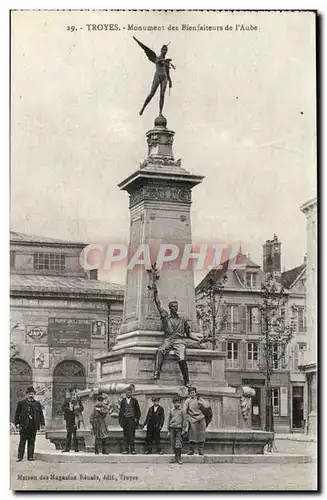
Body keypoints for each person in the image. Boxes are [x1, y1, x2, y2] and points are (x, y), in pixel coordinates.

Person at [151, 286, 201, 386]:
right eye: (173, 306)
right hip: (168, 339)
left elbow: (189, 334)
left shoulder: (182, 320)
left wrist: (199, 339)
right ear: (170, 308)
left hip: (179, 341)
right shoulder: (165, 317)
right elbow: (158, 305)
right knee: (160, 350)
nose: (175, 308)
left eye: (176, 306)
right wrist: (155, 293)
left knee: (182, 358)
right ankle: (157, 373)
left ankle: (186, 380)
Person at [15, 386, 45, 462]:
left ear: (34, 394)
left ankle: (30, 456)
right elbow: (17, 414)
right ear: (27, 394)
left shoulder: (37, 404)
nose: (31, 395)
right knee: (22, 442)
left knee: (32, 442)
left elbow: (41, 414)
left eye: (32, 394)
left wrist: (42, 423)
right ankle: (20, 457)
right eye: (29, 394)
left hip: (33, 425)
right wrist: (17, 423)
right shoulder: (21, 403)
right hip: (24, 425)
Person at [184, 386, 207, 456]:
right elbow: (185, 409)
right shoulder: (187, 400)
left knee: (201, 434)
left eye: (193, 392)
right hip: (192, 419)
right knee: (192, 435)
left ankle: (201, 450)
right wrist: (186, 417)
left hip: (201, 418)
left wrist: (201, 403)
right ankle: (191, 450)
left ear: (196, 393)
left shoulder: (199, 399)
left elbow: (206, 407)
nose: (192, 394)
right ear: (189, 394)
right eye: (190, 393)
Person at [118, 386, 141, 454]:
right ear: (125, 393)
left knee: (132, 435)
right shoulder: (123, 401)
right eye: (127, 392)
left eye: (130, 392)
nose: (128, 394)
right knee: (125, 436)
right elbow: (121, 412)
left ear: (131, 393)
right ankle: (126, 450)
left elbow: (138, 411)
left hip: (132, 420)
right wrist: (121, 421)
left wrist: (136, 418)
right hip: (125, 420)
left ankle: (133, 450)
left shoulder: (134, 401)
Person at [62, 388, 84, 453]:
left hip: (76, 418)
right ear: (70, 393)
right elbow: (63, 407)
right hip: (69, 418)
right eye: (71, 392)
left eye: (74, 392)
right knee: (69, 433)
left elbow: (82, 408)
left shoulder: (78, 400)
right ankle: (67, 448)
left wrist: (77, 408)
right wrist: (69, 409)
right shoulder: (67, 400)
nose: (73, 393)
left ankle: (76, 448)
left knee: (75, 434)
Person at [167, 395, 187, 465]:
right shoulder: (171, 411)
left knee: (178, 444)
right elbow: (169, 420)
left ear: (180, 403)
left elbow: (184, 420)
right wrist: (168, 430)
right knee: (173, 443)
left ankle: (179, 458)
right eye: (175, 403)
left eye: (178, 403)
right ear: (173, 403)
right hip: (172, 429)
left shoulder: (182, 411)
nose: (176, 404)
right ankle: (175, 457)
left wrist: (183, 429)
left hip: (179, 429)